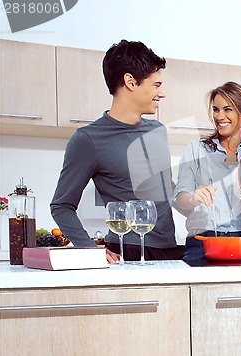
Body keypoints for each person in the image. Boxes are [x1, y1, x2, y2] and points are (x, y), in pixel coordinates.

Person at [51, 40, 182, 264]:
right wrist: (89, 248)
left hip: (170, 249)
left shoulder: (158, 131)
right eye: (156, 85)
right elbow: (61, 206)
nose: (162, 93)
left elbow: (165, 191)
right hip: (126, 252)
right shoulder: (88, 139)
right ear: (130, 82)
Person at [173, 81, 241, 265]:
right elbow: (181, 197)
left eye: (227, 109)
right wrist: (194, 197)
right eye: (216, 109)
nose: (219, 116)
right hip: (202, 243)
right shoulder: (196, 149)